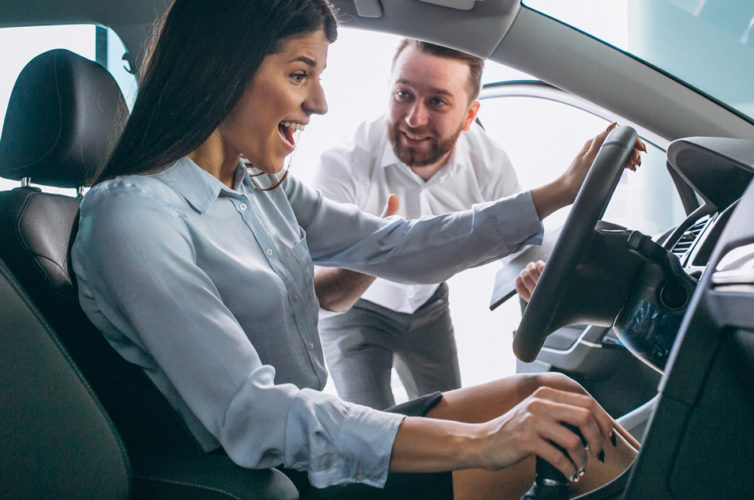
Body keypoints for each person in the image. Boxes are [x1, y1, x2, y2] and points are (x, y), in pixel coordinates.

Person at [70, 0, 646, 498]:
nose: (319, 102)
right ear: (225, 69)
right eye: (301, 74)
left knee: (555, 396)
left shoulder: (258, 186)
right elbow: (255, 415)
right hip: (278, 479)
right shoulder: (133, 217)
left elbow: (399, 245)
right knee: (546, 441)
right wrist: (486, 440)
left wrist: (561, 191)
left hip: (311, 452)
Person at [310, 39, 521, 410]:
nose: (414, 118)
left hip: (429, 308)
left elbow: (521, 244)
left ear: (469, 116)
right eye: (403, 94)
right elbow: (319, 286)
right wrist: (382, 246)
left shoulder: (488, 164)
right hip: (354, 312)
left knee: (450, 421)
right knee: (372, 436)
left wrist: (533, 274)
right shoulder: (343, 164)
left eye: (437, 101)